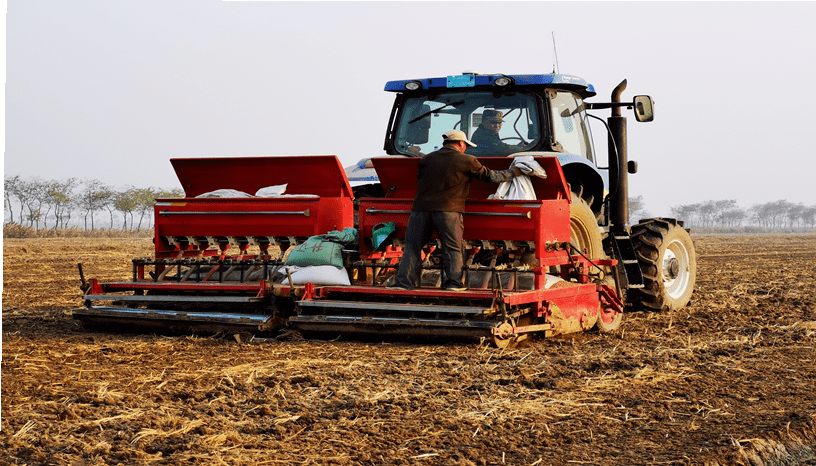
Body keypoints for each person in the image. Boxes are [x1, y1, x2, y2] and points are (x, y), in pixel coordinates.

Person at [389, 130, 522, 291]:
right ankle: (453, 284)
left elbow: (421, 177)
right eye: (465, 145)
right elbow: (492, 177)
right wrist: (514, 173)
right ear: (460, 143)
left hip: (420, 210)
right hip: (448, 211)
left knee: (412, 246)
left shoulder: (427, 159)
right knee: (452, 248)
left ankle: (403, 284)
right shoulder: (467, 160)